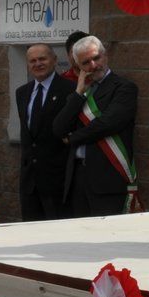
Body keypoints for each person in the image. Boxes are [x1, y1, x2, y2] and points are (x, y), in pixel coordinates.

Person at [52, 35, 138, 218]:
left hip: (107, 176)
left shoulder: (124, 87)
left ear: (105, 55)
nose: (93, 65)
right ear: (78, 66)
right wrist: (78, 93)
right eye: (86, 62)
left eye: (96, 58)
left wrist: (73, 137)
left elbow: (108, 123)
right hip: (77, 177)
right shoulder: (79, 91)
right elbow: (58, 128)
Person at [14, 43, 69, 221]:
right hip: (29, 181)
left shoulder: (69, 90)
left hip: (57, 180)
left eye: (42, 59)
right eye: (32, 61)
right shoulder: (22, 93)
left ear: (54, 60)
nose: (38, 64)